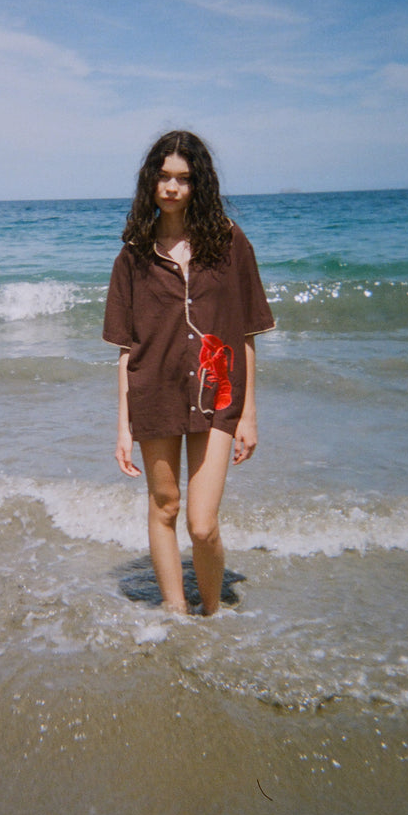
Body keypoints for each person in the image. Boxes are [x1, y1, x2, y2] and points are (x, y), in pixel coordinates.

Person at [103, 131, 274, 615]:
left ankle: (213, 613)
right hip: (153, 392)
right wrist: (123, 424)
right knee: (164, 506)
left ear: (199, 184)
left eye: (183, 178)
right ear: (150, 182)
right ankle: (176, 613)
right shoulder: (133, 255)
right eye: (164, 177)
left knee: (201, 523)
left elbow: (247, 332)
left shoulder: (229, 242)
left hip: (219, 394)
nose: (172, 188)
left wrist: (249, 414)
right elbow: (124, 348)